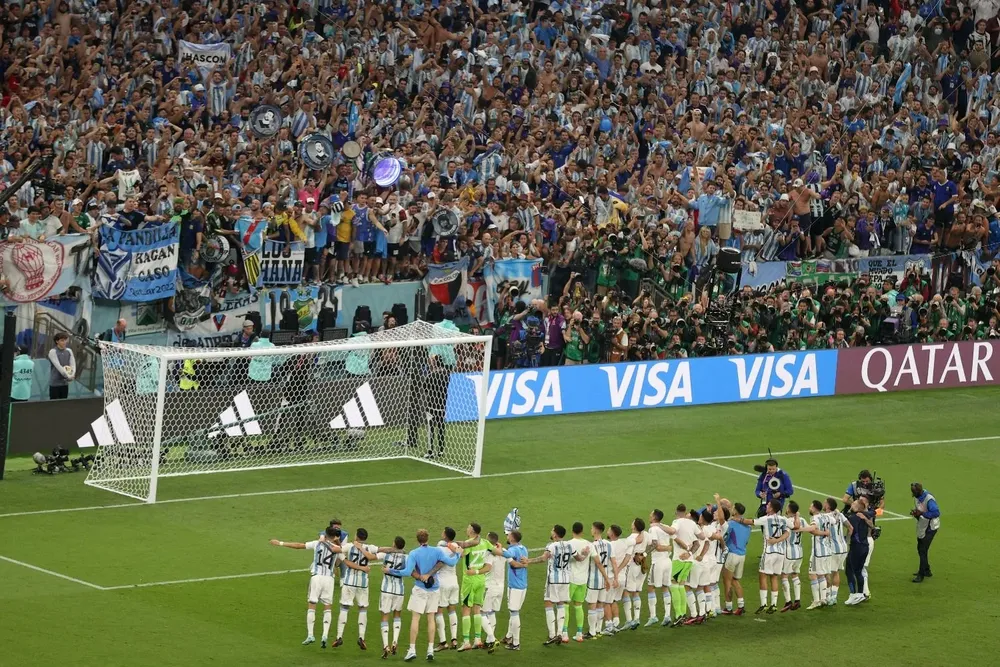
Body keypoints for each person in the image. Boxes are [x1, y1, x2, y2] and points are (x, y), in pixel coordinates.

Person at [384, 528, 460, 663]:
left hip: (420, 589)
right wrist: (458, 554)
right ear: (428, 538)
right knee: (431, 618)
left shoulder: (414, 553)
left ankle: (412, 650)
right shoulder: (437, 551)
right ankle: (430, 650)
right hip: (434, 588)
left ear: (418, 539)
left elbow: (407, 572)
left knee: (416, 619)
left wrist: (390, 570)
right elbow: (452, 562)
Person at [268, 527, 346, 648]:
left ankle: (310, 634)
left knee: (312, 605)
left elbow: (299, 545)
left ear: (325, 534)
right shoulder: (337, 549)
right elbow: (343, 556)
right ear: (335, 536)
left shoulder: (317, 543)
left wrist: (281, 543)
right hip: (329, 579)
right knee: (327, 607)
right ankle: (325, 635)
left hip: (316, 578)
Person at [523, 524, 588, 645]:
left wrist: (529, 561)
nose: (551, 531)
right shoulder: (570, 545)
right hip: (565, 580)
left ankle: (552, 634)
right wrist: (585, 553)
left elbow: (543, 558)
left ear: (555, 534)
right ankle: (560, 633)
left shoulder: (552, 546)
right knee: (561, 604)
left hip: (553, 580)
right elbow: (579, 558)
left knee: (548, 603)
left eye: (552, 530)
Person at [335, 528, 387, 651]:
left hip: (349, 581)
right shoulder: (370, 548)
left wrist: (340, 550)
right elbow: (381, 549)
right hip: (363, 583)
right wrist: (394, 549)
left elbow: (338, 550)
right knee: (363, 609)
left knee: (344, 608)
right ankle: (361, 637)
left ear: (357, 536)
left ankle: (339, 636)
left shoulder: (350, 546)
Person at [742, 499, 790, 614]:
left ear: (772, 508)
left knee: (762, 575)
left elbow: (751, 521)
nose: (766, 507)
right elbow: (788, 532)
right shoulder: (784, 519)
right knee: (774, 577)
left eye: (768, 505)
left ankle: (763, 603)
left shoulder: (766, 519)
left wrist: (738, 519)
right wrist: (778, 540)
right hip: (780, 553)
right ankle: (773, 604)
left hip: (769, 552)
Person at [842, 470, 883, 597]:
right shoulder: (867, 513)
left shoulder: (860, 515)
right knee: (856, 568)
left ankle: (864, 593)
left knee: (859, 569)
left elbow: (881, 508)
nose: (865, 483)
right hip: (862, 540)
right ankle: (860, 593)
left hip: (865, 541)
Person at [455, 523, 491, 651]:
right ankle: (477, 639)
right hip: (481, 579)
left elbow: (461, 554)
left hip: (469, 580)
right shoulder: (484, 542)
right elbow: (493, 550)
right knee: (477, 609)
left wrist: (452, 547)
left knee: (466, 609)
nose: (466, 528)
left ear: (472, 531)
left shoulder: (469, 543)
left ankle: (466, 641)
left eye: (468, 527)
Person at [494, 529, 529, 651]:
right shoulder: (523, 548)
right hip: (523, 585)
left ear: (513, 538)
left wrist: (499, 549)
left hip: (515, 586)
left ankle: (516, 643)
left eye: (508, 535)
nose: (507, 536)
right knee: (513, 612)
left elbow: (511, 562)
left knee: (514, 613)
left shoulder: (512, 550)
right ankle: (509, 636)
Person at [716, 496, 750, 615]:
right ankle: (741, 605)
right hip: (742, 555)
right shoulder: (748, 525)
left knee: (727, 581)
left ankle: (728, 607)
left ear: (735, 511)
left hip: (732, 555)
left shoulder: (731, 523)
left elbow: (722, 523)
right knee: (735, 580)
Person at [668, 505, 701, 625]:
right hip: (689, 561)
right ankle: (682, 614)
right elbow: (700, 539)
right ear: (685, 512)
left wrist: (662, 527)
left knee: (673, 584)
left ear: (676, 512)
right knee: (681, 585)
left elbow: (672, 532)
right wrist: (690, 552)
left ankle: (679, 615)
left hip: (679, 559)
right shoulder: (692, 525)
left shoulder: (676, 522)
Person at [645, 509, 678, 627]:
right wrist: (668, 547)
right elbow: (673, 533)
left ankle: (653, 616)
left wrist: (644, 554)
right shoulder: (664, 527)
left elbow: (656, 546)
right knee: (665, 588)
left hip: (657, 562)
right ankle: (667, 615)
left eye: (651, 514)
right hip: (667, 562)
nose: (649, 515)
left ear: (654, 517)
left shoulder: (653, 529)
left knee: (650, 587)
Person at [798, 500, 833, 610]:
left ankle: (816, 601)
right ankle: (823, 599)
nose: (809, 508)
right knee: (821, 574)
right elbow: (834, 520)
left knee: (812, 574)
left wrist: (800, 529)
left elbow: (813, 529)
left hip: (818, 551)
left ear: (814, 508)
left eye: (810, 506)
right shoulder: (826, 517)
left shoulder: (815, 518)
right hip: (827, 550)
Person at [378, 536, 408, 659]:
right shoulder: (406, 557)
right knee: (397, 615)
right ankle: (395, 641)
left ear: (394, 544)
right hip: (399, 590)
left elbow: (374, 554)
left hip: (386, 589)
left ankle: (386, 646)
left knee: (385, 616)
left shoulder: (385, 555)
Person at [433, 527, 461, 651]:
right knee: (452, 610)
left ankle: (443, 642)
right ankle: (454, 640)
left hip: (442, 583)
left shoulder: (439, 549)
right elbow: (461, 552)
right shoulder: (455, 546)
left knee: (438, 611)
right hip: (454, 582)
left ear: (445, 535)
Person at [584, 522, 613, 639]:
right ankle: (598, 629)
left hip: (594, 578)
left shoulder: (592, 545)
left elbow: (596, 562)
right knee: (600, 604)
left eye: (591, 528)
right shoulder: (608, 544)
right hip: (605, 578)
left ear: (596, 530)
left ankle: (591, 632)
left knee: (592, 605)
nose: (591, 530)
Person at [565, 522, 592, 642]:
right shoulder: (588, 544)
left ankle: (564, 633)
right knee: (578, 606)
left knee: (565, 605)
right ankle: (579, 633)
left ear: (572, 530)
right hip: (583, 580)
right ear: (582, 531)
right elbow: (596, 559)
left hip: (571, 579)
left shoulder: (568, 544)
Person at [845, 499, 875, 605]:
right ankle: (860, 594)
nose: (851, 504)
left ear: (858, 507)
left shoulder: (853, 518)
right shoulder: (864, 515)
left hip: (856, 547)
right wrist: (866, 519)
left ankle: (853, 594)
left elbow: (850, 529)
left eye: (853, 504)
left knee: (849, 570)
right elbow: (872, 525)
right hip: (864, 547)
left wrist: (845, 540)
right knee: (858, 571)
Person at [910, 482, 941, 583]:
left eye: (914, 493)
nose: (913, 495)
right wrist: (916, 513)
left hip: (931, 527)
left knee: (922, 550)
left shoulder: (929, 499)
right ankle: (927, 570)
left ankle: (921, 574)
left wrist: (922, 513)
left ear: (918, 492)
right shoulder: (918, 497)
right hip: (923, 525)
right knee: (921, 549)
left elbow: (936, 512)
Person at [481, 532, 506, 652]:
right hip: (501, 587)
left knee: (481, 613)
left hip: (489, 586)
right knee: (491, 613)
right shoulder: (503, 551)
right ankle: (488, 641)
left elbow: (488, 567)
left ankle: (492, 638)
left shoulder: (488, 553)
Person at [780, 501, 805, 611]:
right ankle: (798, 600)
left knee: (784, 576)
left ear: (789, 510)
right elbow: (810, 529)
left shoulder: (786, 520)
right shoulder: (802, 520)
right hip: (799, 552)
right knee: (795, 575)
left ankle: (788, 601)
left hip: (788, 552)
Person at [47, 332, 75, 400]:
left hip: (64, 384)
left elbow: (72, 364)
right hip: (55, 384)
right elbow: (58, 366)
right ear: (57, 341)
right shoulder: (53, 352)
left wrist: (72, 374)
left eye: (65, 340)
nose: (64, 342)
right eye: (62, 340)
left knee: (63, 405)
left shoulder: (69, 351)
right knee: (54, 406)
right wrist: (68, 376)